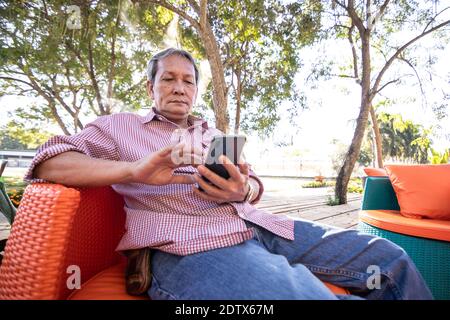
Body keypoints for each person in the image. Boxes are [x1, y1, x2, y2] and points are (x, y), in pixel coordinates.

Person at [26, 48, 433, 300]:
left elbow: (253, 186)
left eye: (188, 81)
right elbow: (49, 161)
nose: (179, 88)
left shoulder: (214, 134)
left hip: (262, 226)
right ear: (151, 86)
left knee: (390, 258)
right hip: (189, 245)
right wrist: (135, 168)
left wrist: (241, 190)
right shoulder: (119, 127)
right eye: (168, 78)